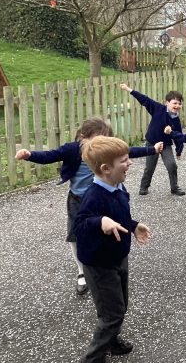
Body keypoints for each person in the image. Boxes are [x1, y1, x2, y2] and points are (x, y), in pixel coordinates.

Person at [14, 117, 161, 296]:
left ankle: (110, 264)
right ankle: (82, 271)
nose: (101, 144)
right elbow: (51, 155)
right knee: (77, 235)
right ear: (83, 137)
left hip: (105, 196)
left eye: (105, 140)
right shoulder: (72, 149)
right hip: (79, 200)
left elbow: (129, 152)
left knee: (112, 226)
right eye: (97, 139)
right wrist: (30, 155)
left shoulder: (107, 153)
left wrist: (152, 149)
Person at [74, 136, 152, 362]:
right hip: (99, 264)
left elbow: (121, 215)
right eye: (124, 161)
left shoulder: (118, 186)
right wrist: (100, 222)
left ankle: (111, 340)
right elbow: (80, 224)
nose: (130, 163)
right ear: (106, 169)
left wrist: (133, 226)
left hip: (118, 257)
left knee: (120, 305)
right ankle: (93, 358)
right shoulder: (93, 196)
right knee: (112, 314)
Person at [120, 83, 185, 196]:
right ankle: (144, 187)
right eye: (174, 103)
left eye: (179, 103)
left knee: (172, 165)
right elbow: (144, 99)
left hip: (165, 145)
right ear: (167, 103)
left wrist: (179, 151)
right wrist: (129, 89)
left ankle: (174, 188)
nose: (177, 105)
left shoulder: (176, 120)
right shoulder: (158, 108)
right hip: (152, 143)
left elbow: (179, 137)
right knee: (149, 167)